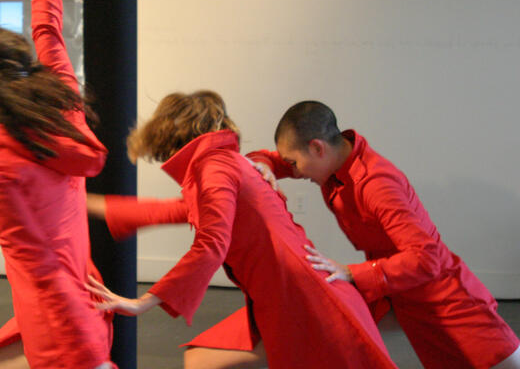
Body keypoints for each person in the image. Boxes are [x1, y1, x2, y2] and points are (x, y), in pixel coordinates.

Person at [86, 91, 398, 368]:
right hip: (291, 296)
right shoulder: (221, 163)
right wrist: (84, 201)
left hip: (306, 302)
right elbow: (174, 209)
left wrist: (144, 301)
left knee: (201, 362)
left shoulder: (215, 167)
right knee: (200, 359)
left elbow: (211, 243)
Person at [246, 100, 520, 369]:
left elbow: (426, 258)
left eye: (293, 163)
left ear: (317, 147)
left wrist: (354, 274)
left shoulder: (375, 184)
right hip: (400, 291)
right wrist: (263, 164)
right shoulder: (334, 159)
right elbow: (273, 159)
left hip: (447, 301)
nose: (293, 170)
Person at [0, 0, 115, 368]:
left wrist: (87, 353)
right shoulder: (62, 107)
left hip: (59, 324)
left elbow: (39, 266)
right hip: (77, 297)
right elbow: (49, 31)